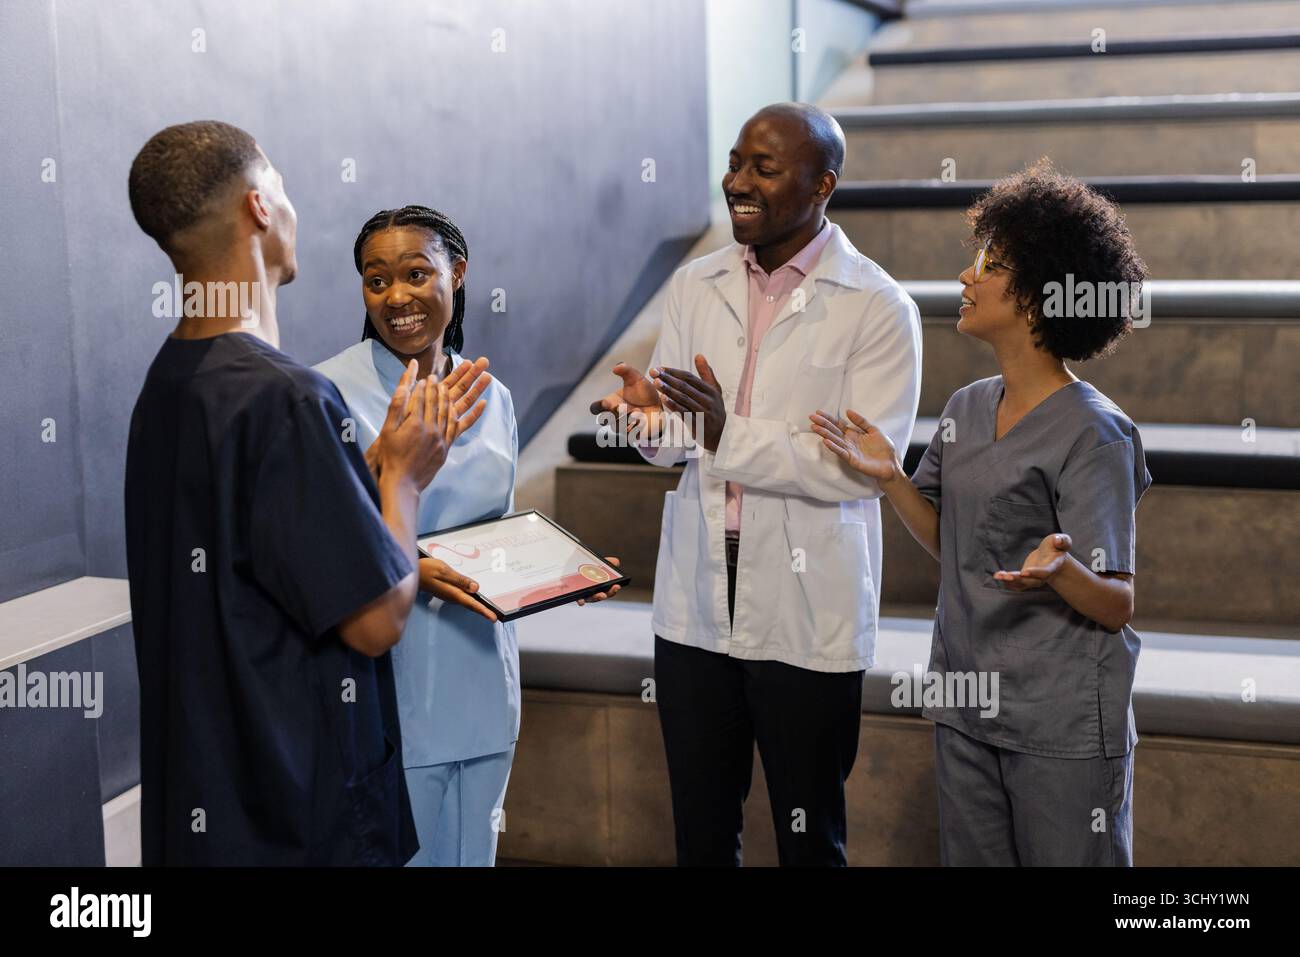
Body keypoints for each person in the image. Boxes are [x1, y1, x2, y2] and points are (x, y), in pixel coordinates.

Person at [124, 122, 488, 865]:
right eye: (283, 187)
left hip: (213, 807)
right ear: (260, 207)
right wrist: (402, 478)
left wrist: (369, 469)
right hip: (299, 818)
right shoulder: (287, 399)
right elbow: (378, 619)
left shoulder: (166, 387)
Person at [592, 103, 922, 866]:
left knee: (811, 843)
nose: (737, 181)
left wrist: (719, 431)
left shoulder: (877, 307)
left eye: (763, 168)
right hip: (696, 611)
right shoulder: (694, 283)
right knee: (702, 838)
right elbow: (682, 439)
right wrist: (649, 423)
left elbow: (854, 466)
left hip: (806, 613)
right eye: (735, 162)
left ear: (823, 184)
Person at [812, 162, 1151, 866]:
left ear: (1035, 296)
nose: (967, 276)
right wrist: (891, 480)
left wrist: (1061, 571)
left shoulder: (1096, 433)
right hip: (967, 708)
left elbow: (1115, 603)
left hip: (1060, 725)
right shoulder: (967, 407)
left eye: (990, 263)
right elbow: (955, 543)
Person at [316, 205, 621, 866]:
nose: (396, 295)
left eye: (416, 273)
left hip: (482, 681)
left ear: (457, 274)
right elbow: (317, 550)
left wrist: (562, 570)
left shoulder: (494, 398)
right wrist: (411, 568)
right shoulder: (328, 394)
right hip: (390, 690)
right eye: (376, 279)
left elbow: (498, 534)